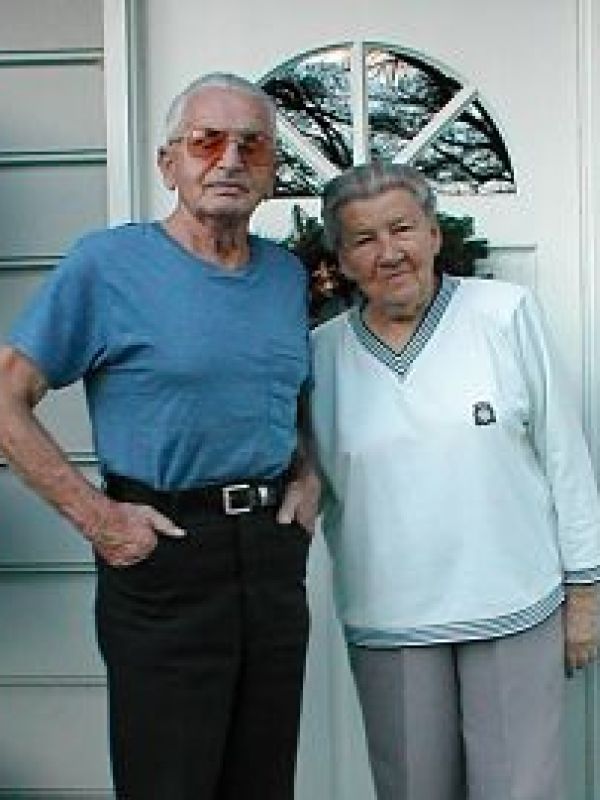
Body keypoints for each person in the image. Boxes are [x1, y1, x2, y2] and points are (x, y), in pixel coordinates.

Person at [0, 72, 320, 800]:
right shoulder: (108, 266)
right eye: (206, 141)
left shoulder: (284, 276)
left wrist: (310, 474)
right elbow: (7, 398)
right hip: (165, 554)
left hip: (271, 558)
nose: (230, 160)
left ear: (272, 169)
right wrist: (99, 519)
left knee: (262, 782)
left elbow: (286, 391)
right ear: (168, 163)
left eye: (252, 145)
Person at [310, 161, 600, 800]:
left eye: (402, 229)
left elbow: (565, 455)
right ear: (343, 260)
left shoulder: (505, 312)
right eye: (364, 239)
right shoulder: (321, 355)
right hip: (390, 619)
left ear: (434, 234)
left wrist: (585, 590)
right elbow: (310, 485)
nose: (390, 252)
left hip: (514, 606)